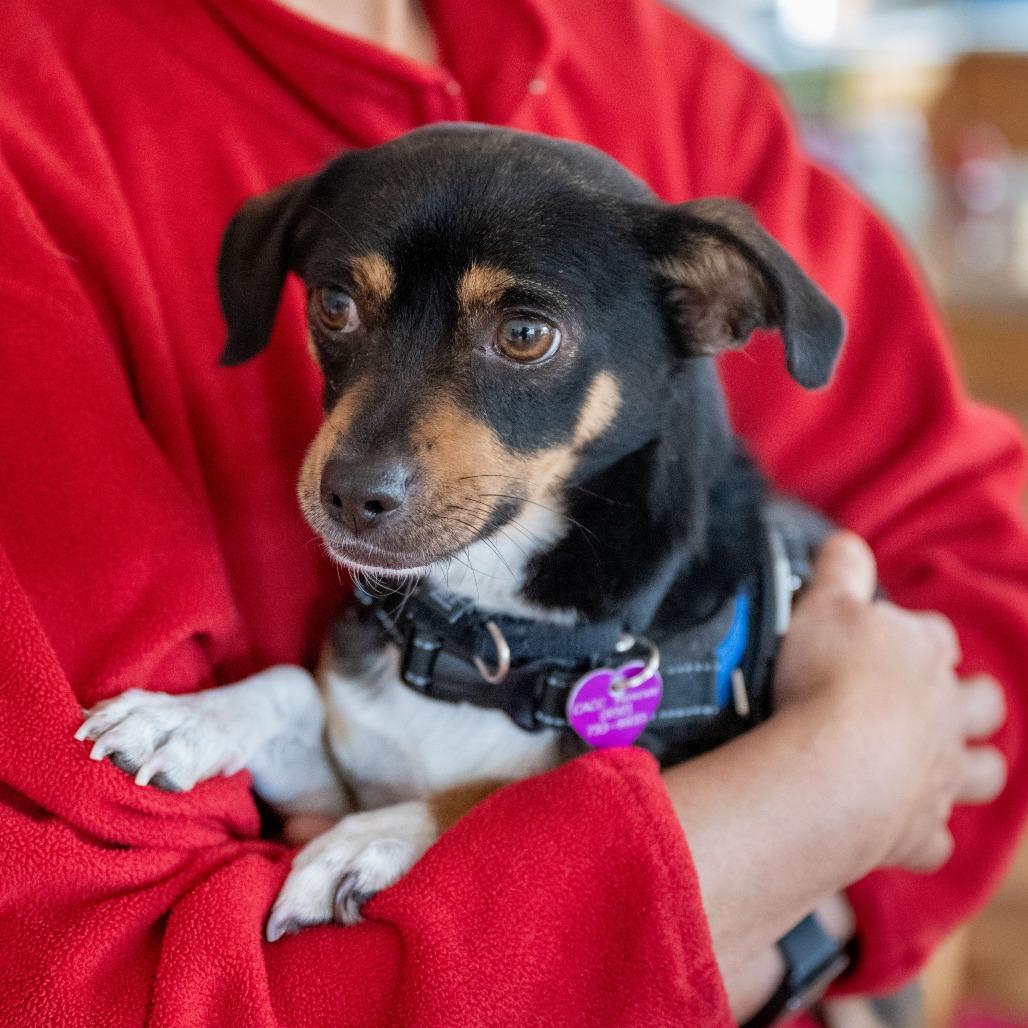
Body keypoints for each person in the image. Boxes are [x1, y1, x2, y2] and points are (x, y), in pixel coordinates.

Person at [0, 1, 1023, 1024]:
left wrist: (844, 870)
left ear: (712, 309)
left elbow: (980, 552)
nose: (366, 469)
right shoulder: (35, 115)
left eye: (522, 333)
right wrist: (816, 818)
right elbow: (82, 968)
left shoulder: (667, 72)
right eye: (341, 310)